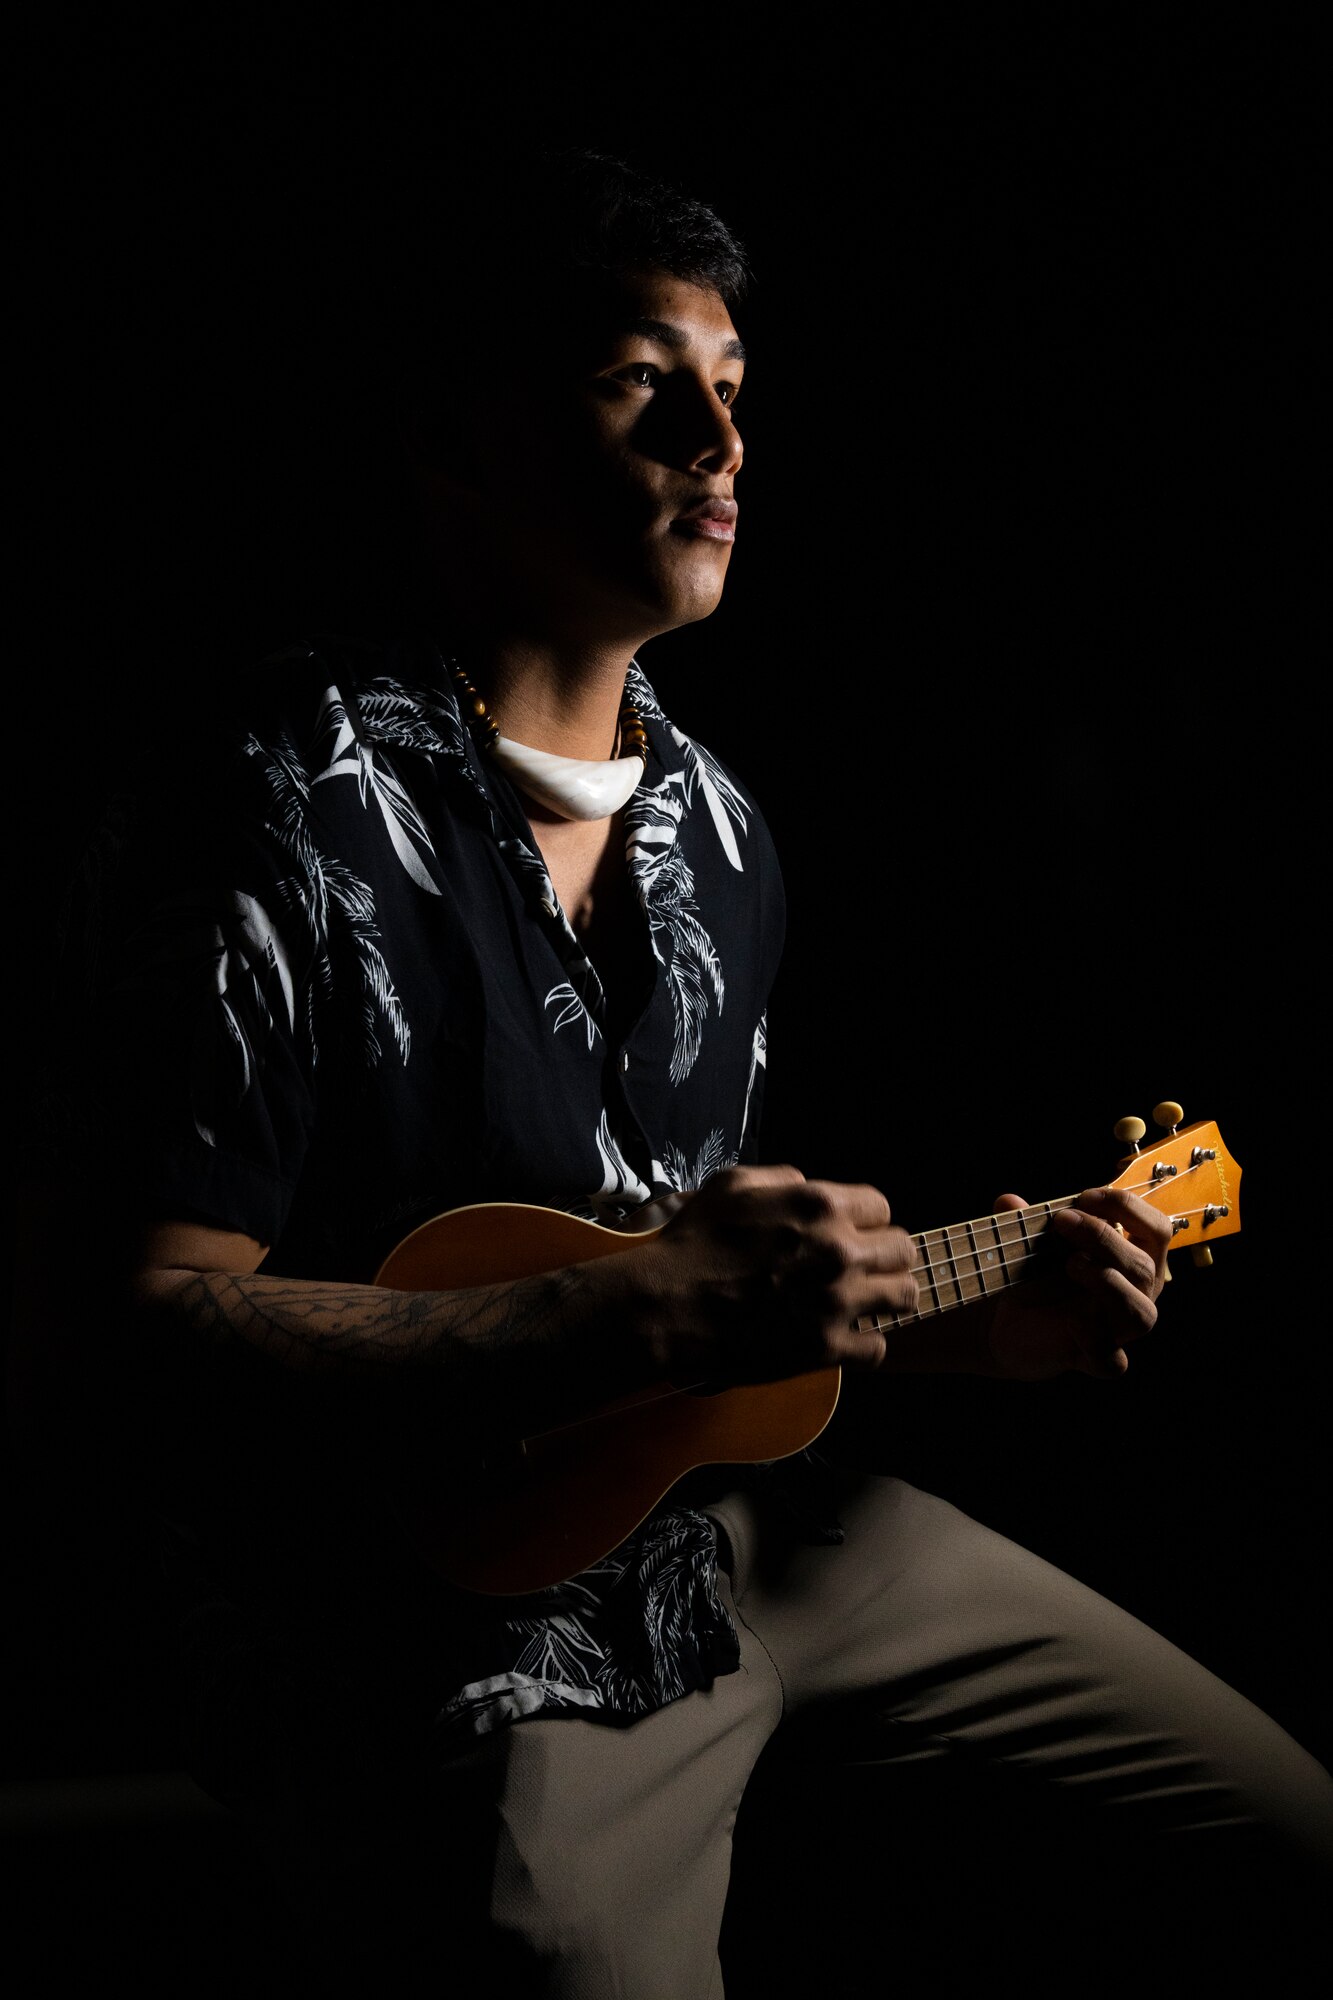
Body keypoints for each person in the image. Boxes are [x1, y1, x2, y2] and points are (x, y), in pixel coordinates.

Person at [23, 151, 1333, 1992]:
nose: (718, 439)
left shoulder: (725, 834)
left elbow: (697, 1310)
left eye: (735, 391)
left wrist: (955, 1314)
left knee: (1288, 1829)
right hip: (421, 1611)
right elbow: (130, 1326)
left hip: (743, 1534)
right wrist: (640, 1318)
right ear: (460, 433)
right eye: (645, 381)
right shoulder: (259, 802)